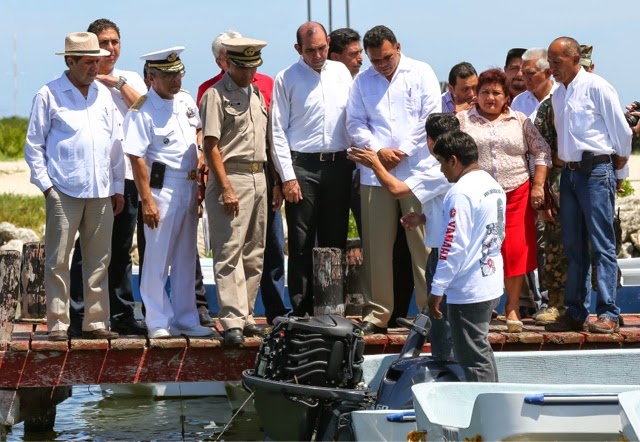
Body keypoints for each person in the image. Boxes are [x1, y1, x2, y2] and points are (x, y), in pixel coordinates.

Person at [24, 32, 123, 341]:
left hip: (101, 191)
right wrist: (47, 188)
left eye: (97, 62)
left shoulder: (103, 95)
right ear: (70, 61)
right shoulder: (49, 94)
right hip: (62, 191)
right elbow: (33, 145)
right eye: (88, 62)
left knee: (99, 261)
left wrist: (117, 186)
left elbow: (115, 144)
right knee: (57, 260)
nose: (95, 67)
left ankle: (95, 323)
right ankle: (57, 325)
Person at [346, 25, 441, 335]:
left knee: (423, 245)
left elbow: (430, 118)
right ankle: (377, 313)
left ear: (398, 47)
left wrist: (401, 151)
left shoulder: (422, 71)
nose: (381, 65)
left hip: (417, 171)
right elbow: (355, 122)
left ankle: (430, 312)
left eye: (386, 57)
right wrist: (377, 151)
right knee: (375, 247)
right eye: (374, 60)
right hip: (375, 173)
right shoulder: (362, 81)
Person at [348, 113, 458, 359]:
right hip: (457, 248)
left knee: (442, 307)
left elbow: (397, 189)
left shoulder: (437, 169)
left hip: (444, 250)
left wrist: (374, 162)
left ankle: (436, 337)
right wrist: (421, 219)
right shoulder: (459, 164)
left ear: (429, 141)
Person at [197, 30, 288, 326]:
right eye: (244, 67)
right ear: (229, 65)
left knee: (254, 252)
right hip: (231, 175)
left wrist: (274, 182)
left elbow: (266, 142)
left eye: (254, 66)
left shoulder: (258, 94)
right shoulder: (214, 95)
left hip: (259, 176)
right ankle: (232, 318)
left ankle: (247, 314)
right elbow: (210, 145)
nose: (250, 72)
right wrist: (225, 187)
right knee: (229, 250)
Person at [123, 47, 212, 339]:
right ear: (151, 77)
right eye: (169, 75)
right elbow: (136, 158)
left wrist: (200, 152)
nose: (176, 80)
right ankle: (157, 320)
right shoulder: (142, 110)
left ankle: (186, 318)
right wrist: (146, 199)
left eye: (179, 73)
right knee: (157, 258)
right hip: (161, 188)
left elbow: (197, 129)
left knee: (187, 256)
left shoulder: (185, 100)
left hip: (189, 184)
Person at [544, 37, 632, 334]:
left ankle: (607, 311)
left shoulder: (597, 87)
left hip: (596, 170)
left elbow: (621, 132)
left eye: (556, 62)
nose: (551, 68)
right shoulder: (557, 95)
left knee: (602, 244)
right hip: (570, 174)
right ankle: (576, 311)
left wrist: (620, 172)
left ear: (573, 59)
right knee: (573, 246)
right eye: (550, 62)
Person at [68, 19, 147, 337]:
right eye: (103, 42)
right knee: (86, 247)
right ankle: (78, 313)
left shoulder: (130, 79)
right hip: (91, 177)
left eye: (114, 41)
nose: (110, 48)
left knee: (122, 249)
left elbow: (144, 108)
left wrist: (115, 83)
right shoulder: (79, 82)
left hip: (126, 175)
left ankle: (123, 314)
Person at [457, 68, 551, 333]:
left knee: (515, 251)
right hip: (479, 196)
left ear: (506, 96)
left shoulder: (520, 120)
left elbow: (542, 151)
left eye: (496, 92)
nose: (490, 97)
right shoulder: (463, 120)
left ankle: (512, 307)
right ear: (476, 94)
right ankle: (484, 306)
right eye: (485, 92)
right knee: (481, 250)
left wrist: (539, 186)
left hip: (516, 193)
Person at [271, 21, 354, 317]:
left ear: (329, 43)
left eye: (322, 48)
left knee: (335, 238)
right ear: (298, 50)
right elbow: (277, 131)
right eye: (310, 50)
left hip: (339, 164)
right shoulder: (286, 78)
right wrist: (288, 176)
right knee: (301, 240)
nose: (317, 54)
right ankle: (302, 307)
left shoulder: (343, 72)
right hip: (302, 166)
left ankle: (332, 305)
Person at [428, 130, 506, 383]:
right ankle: (494, 405)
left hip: (469, 289)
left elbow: (452, 246)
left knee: (472, 359)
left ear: (453, 160)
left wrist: (437, 289)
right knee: (480, 351)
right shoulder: (491, 184)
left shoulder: (460, 192)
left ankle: (486, 416)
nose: (441, 170)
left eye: (441, 162)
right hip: (490, 280)